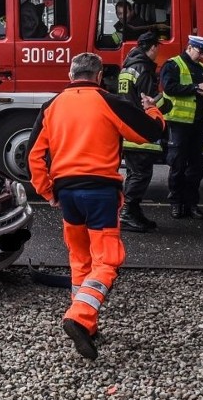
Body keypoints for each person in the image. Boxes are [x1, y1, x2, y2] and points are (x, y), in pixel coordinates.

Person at [28, 52, 165, 360]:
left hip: (68, 194)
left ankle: (87, 325)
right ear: (100, 76)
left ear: (70, 73)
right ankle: (79, 316)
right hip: (100, 192)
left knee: (80, 259)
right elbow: (150, 133)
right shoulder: (110, 102)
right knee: (107, 260)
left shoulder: (51, 107)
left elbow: (33, 157)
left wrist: (48, 192)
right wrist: (153, 110)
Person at [117, 31, 170, 232]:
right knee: (140, 174)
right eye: (158, 47)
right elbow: (151, 101)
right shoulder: (144, 69)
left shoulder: (129, 67)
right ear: (153, 47)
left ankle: (134, 213)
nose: (158, 52)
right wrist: (168, 102)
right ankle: (128, 214)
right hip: (141, 129)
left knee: (134, 173)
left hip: (129, 127)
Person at [160, 34, 203, 219]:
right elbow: (169, 88)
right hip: (178, 124)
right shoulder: (173, 64)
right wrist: (195, 88)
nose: (202, 56)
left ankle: (192, 204)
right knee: (177, 165)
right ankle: (176, 203)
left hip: (199, 125)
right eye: (199, 52)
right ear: (190, 47)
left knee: (196, 168)